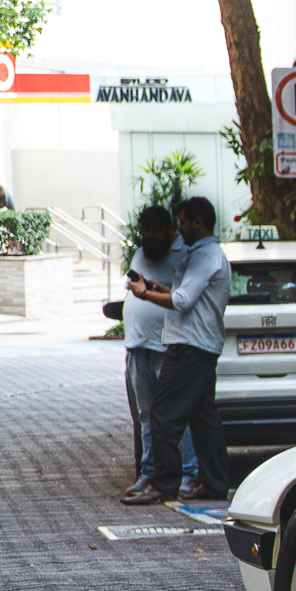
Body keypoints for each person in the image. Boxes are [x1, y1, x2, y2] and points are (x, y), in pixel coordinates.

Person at [120, 196, 233, 506]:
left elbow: (182, 301)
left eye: (183, 221)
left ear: (198, 222)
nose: (180, 228)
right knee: (202, 417)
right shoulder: (205, 255)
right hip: (199, 345)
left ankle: (164, 483)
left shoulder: (205, 257)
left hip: (190, 346)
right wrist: (157, 288)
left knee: (163, 413)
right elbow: (185, 296)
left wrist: (144, 294)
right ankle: (213, 482)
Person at [121, 205, 198, 496]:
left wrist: (153, 290)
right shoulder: (141, 253)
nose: (149, 236)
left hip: (169, 346)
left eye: (155, 230)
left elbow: (185, 298)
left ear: (170, 231)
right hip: (138, 345)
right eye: (145, 230)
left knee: (177, 414)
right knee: (145, 414)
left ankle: (187, 474)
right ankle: (149, 472)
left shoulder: (184, 255)